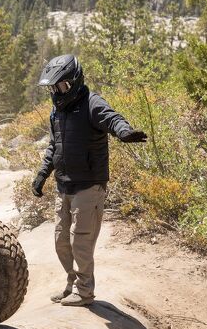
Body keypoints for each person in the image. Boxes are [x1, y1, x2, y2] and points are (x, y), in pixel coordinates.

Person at [33, 54, 148, 306]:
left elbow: (112, 118)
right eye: (52, 87)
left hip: (89, 186)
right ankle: (72, 283)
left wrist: (124, 132)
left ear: (73, 81)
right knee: (61, 242)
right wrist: (42, 174)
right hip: (64, 186)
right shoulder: (57, 110)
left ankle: (85, 291)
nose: (56, 91)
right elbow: (55, 145)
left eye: (60, 86)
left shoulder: (91, 103)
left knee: (80, 241)